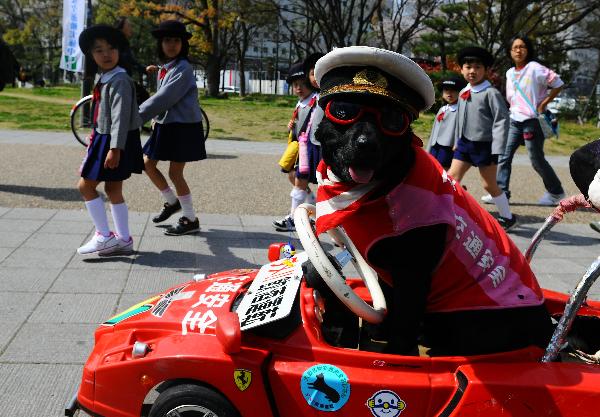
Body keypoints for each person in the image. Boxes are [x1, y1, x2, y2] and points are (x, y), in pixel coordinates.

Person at [311, 45, 553, 356]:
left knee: (409, 283)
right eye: (344, 111)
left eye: (392, 120)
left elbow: (412, 282)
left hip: (493, 315)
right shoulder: (391, 183)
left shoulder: (414, 204)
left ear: (407, 132)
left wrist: (400, 351)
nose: (365, 137)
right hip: (468, 303)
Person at [76, 25, 144, 255]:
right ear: (91, 55)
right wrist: (96, 133)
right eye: (99, 50)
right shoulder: (107, 76)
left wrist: (114, 148)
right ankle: (124, 239)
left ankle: (104, 236)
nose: (106, 54)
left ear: (119, 51)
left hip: (114, 141)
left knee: (85, 186)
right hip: (108, 138)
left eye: (111, 48)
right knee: (114, 188)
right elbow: (105, 113)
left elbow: (120, 117)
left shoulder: (119, 79)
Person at [139, 20, 206, 235]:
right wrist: (157, 69)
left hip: (182, 127)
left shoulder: (183, 69)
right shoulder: (169, 67)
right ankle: (171, 201)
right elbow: (165, 78)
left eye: (176, 40)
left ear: (183, 44)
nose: (171, 45)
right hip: (166, 124)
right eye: (167, 40)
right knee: (148, 164)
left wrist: (135, 117)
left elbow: (164, 98)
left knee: (175, 173)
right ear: (160, 44)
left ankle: (190, 218)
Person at [482, 35, 565, 207]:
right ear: (510, 52)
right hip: (514, 120)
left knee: (536, 159)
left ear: (528, 49)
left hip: (532, 120)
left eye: (522, 47)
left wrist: (544, 104)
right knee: (504, 156)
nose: (518, 50)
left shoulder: (535, 68)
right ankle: (501, 193)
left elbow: (558, 83)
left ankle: (556, 192)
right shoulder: (510, 73)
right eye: (515, 47)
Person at [448, 46, 516, 231]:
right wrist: (456, 141)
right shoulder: (463, 93)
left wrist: (498, 147)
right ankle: (452, 211)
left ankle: (507, 217)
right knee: (451, 178)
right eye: (468, 67)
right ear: (461, 69)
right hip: (464, 144)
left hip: (485, 146)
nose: (472, 71)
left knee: (488, 185)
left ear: (485, 71)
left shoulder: (490, 93)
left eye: (478, 67)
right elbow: (459, 120)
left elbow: (502, 119)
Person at [272, 60, 318, 232]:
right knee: (292, 176)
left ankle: (294, 219)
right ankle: (312, 205)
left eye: (302, 84)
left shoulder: (316, 99)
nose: (298, 88)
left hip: (311, 148)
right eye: (295, 85)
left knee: (299, 180)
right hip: (300, 148)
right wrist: (292, 125)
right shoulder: (300, 102)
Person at [426, 75, 466, 170]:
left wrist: (457, 144)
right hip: (435, 144)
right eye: (446, 90)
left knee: (444, 169)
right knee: (432, 166)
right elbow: (434, 130)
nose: (449, 93)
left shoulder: (460, 110)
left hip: (448, 146)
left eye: (454, 90)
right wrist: (429, 147)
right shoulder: (442, 109)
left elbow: (460, 129)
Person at [114, 17, 152, 104]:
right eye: (129, 25)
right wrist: (144, 69)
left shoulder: (119, 40)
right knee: (143, 96)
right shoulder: (121, 41)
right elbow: (129, 60)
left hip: (121, 78)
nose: (131, 28)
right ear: (121, 28)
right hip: (121, 79)